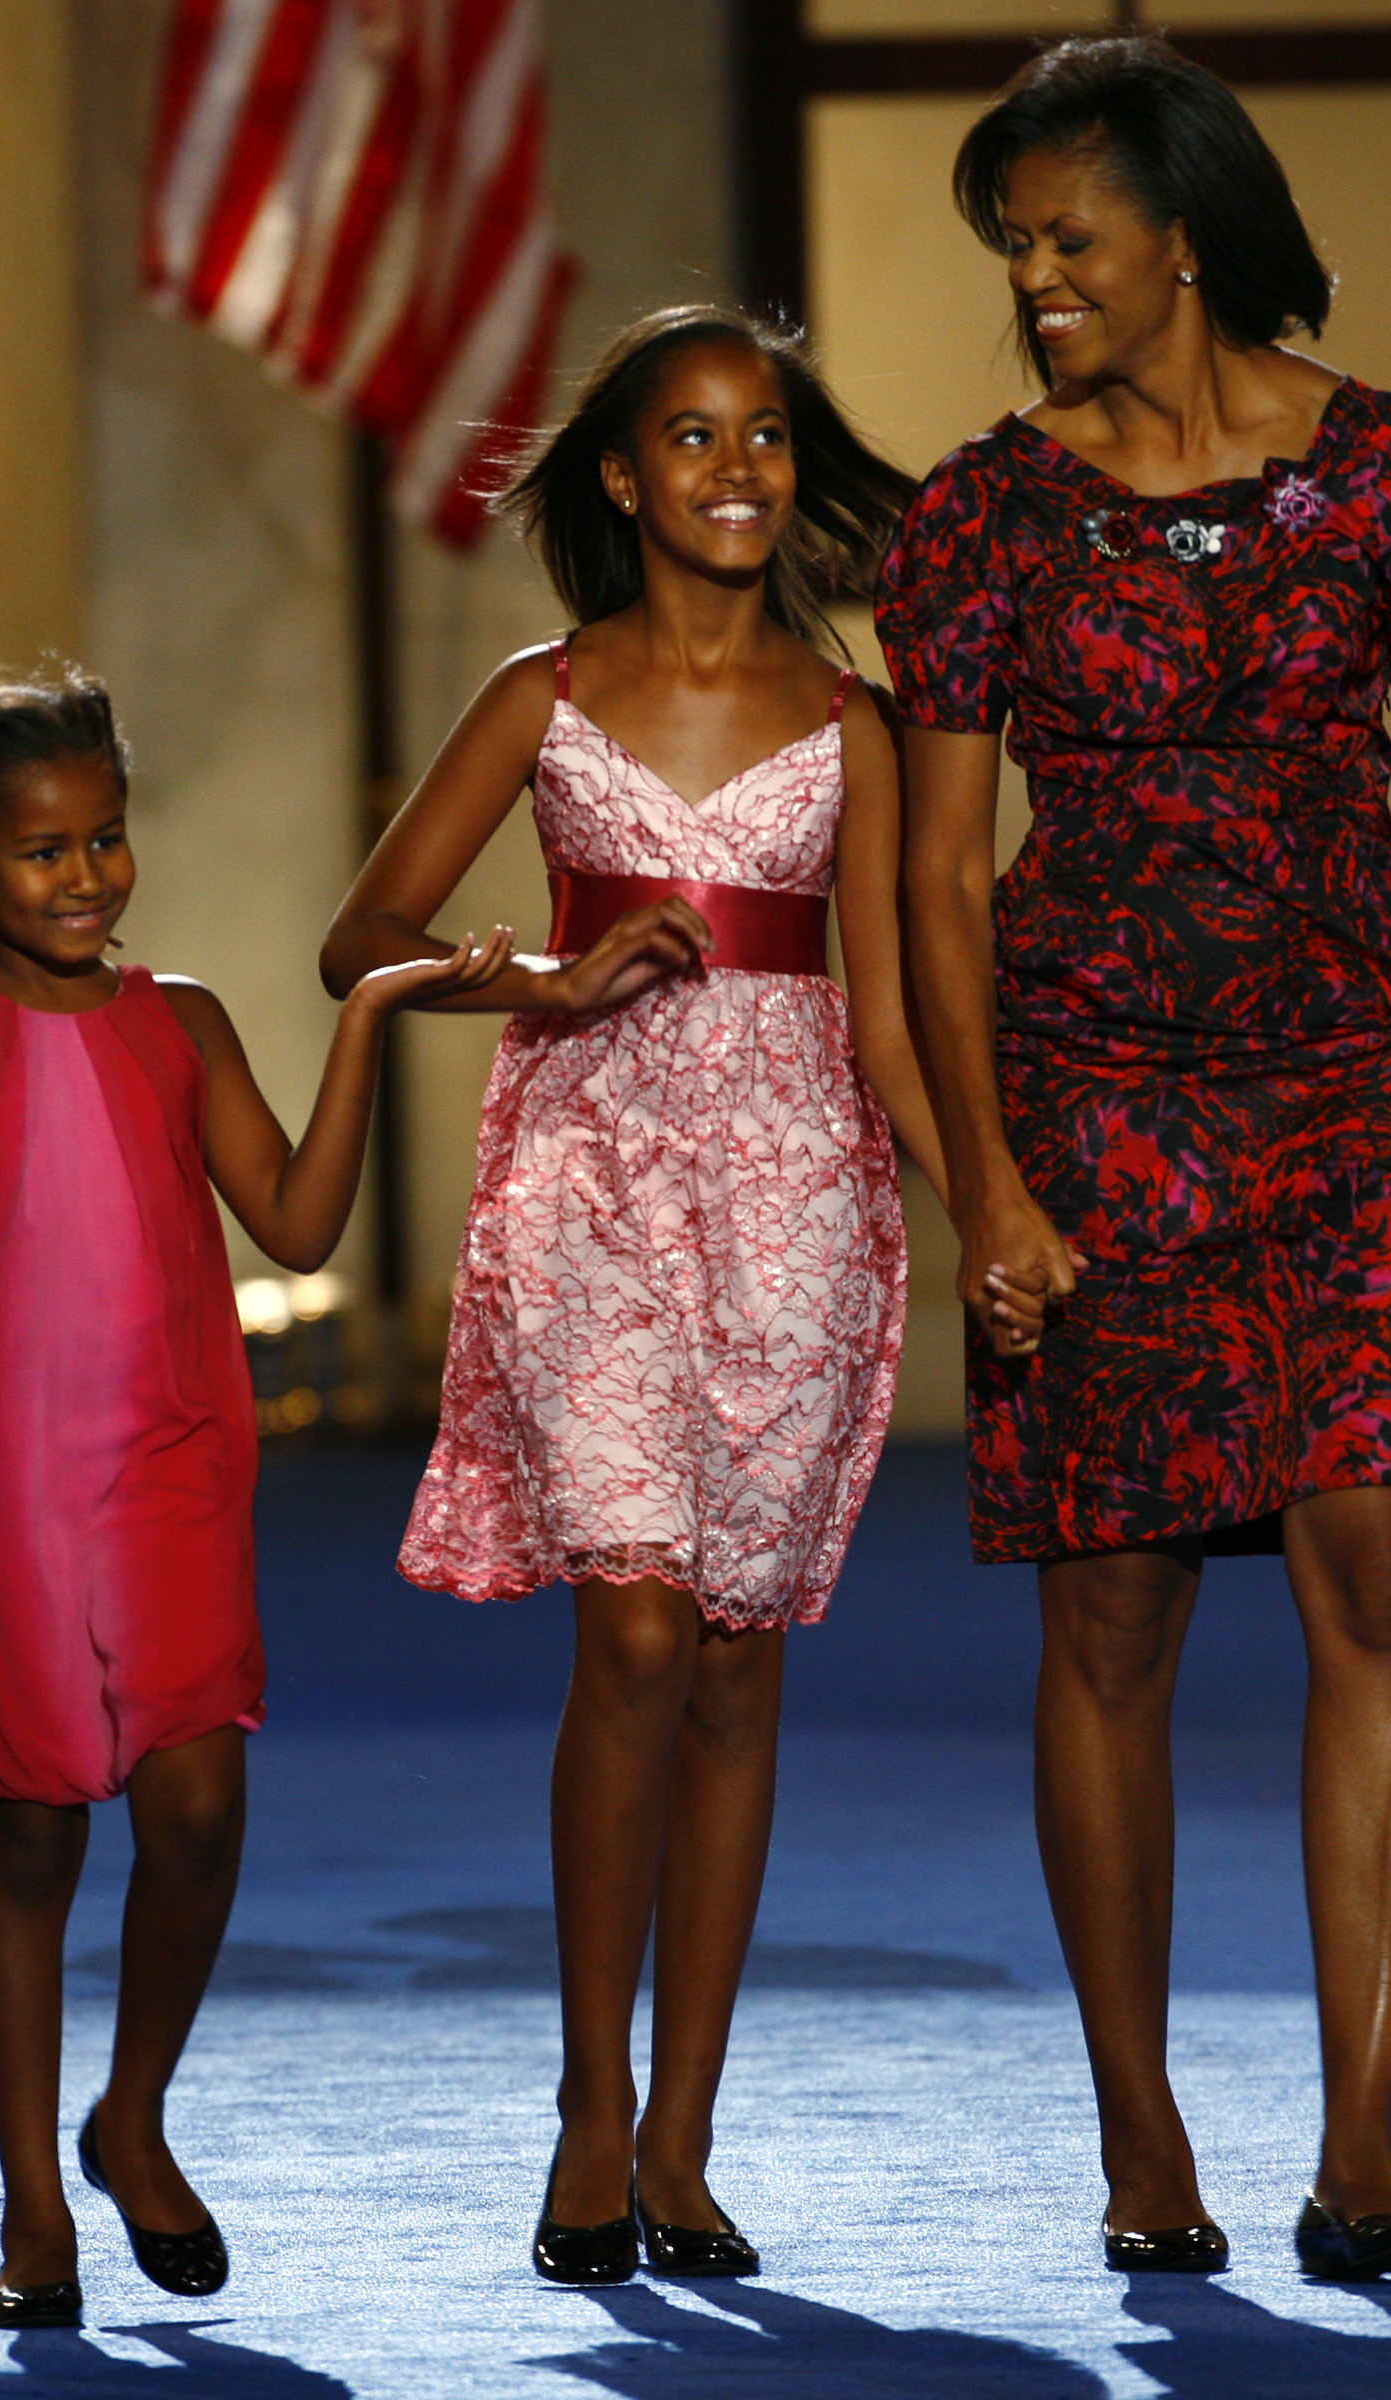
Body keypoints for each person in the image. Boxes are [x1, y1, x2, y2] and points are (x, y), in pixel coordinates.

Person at [878, 36, 1391, 2282]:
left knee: (1385, 1561)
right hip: (1095, 1099)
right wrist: (980, 1178)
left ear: (1184, 231)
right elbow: (939, 881)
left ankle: (1361, 2143)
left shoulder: (1388, 476)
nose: (1037, 276)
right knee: (1115, 1607)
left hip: (1366, 1071)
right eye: (1015, 244)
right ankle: (1143, 2139)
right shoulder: (982, 518)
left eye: (1067, 236)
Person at [322, 305, 942, 2286]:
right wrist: (544, 982)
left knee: (743, 1657)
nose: (737, 469)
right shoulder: (544, 689)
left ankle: (687, 2133)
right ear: (622, 475)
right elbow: (363, 939)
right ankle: (593, 2107)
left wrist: (998, 1206)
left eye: (766, 436)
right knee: (641, 1647)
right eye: (691, 436)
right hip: (586, 1183)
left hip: (795, 1201)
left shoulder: (856, 723)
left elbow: (906, 1012)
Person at [0, 670, 500, 2330]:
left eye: (106, 839)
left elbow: (300, 1225)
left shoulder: (175, 1019)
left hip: (169, 1464)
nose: (88, 877)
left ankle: (131, 2114)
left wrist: (366, 1018)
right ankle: (33, 2199)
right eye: (43, 851)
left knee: (195, 1808)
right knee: (32, 1828)